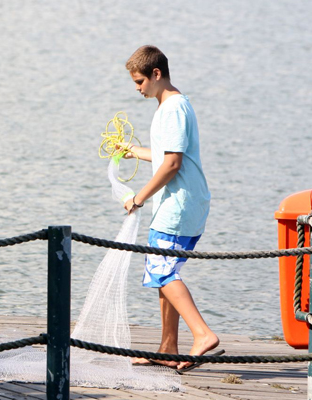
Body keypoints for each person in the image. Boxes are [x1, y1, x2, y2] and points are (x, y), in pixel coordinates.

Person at [120, 45, 219, 372]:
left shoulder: (173, 108)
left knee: (161, 270)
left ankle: (202, 334)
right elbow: (166, 155)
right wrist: (135, 151)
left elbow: (173, 164)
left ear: (156, 74)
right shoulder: (170, 106)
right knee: (164, 270)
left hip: (178, 206)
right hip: (182, 204)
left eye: (139, 81)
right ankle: (168, 348)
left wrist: (139, 197)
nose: (137, 88)